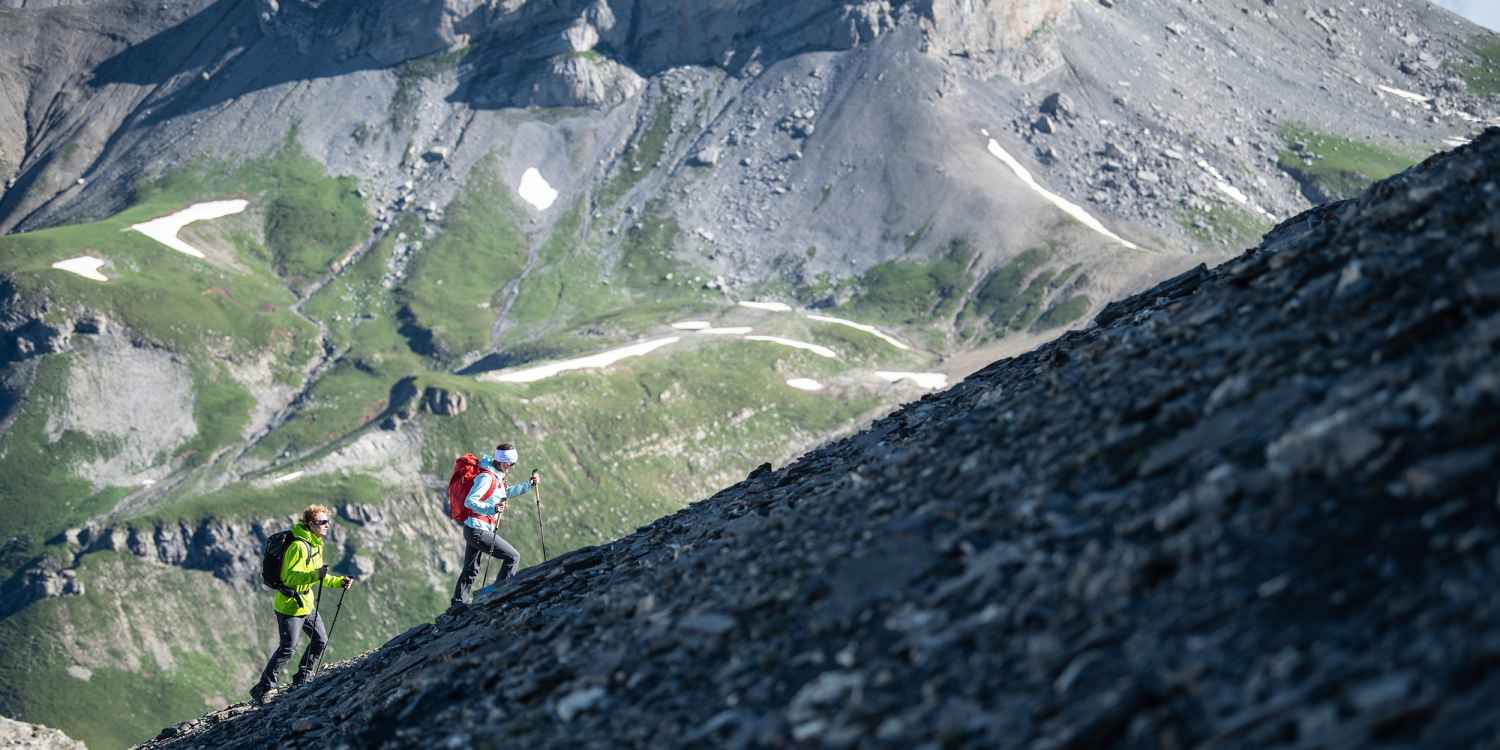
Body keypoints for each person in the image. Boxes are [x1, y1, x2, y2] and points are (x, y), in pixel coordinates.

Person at [250, 504, 354, 705]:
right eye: (321, 522)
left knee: (320, 640)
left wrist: (339, 581)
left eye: (327, 522)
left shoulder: (316, 544)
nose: (326, 525)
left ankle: (302, 677)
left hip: (306, 603)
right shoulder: (299, 546)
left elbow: (318, 577)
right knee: (287, 649)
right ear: (310, 524)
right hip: (290, 606)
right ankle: (263, 688)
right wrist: (316, 574)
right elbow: (288, 577)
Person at [449, 442, 539, 613]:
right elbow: (470, 501)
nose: (512, 467)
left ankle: (458, 603)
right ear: (504, 462)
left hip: (474, 529)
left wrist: (529, 485)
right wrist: (491, 509)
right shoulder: (487, 478)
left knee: (471, 568)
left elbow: (505, 493)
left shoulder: (496, 476)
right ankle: (499, 595)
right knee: (512, 557)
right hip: (478, 530)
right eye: (511, 464)